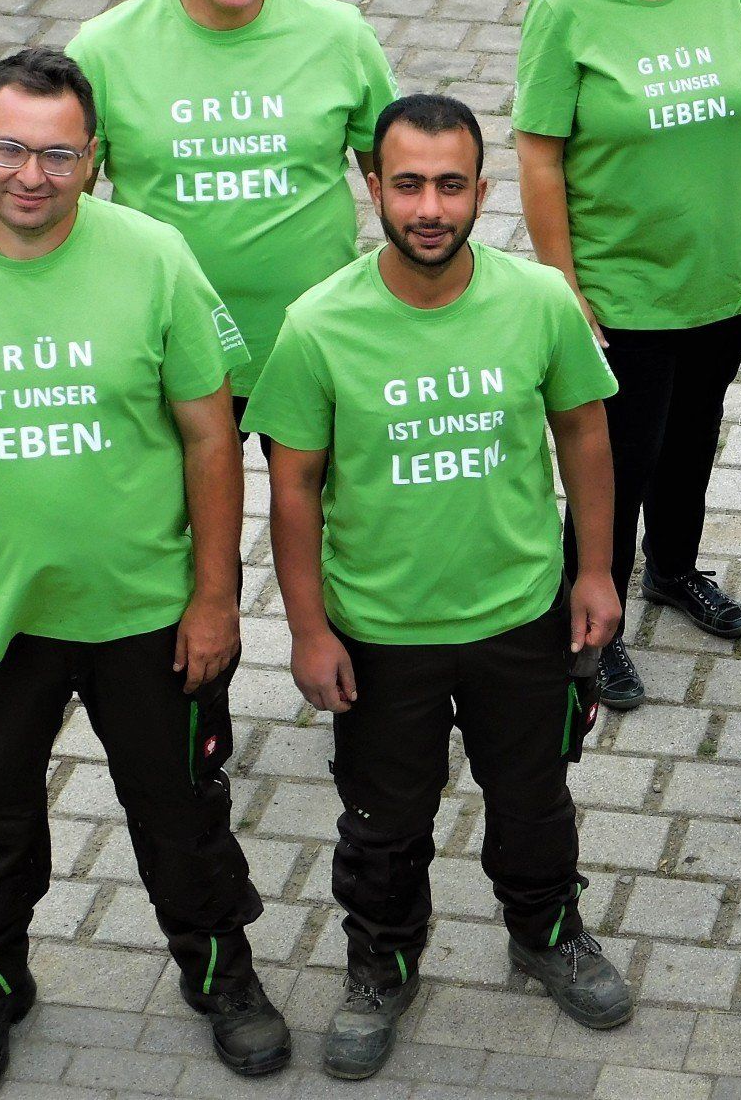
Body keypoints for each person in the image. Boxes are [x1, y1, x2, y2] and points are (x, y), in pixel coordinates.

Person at [0, 48, 288, 1096]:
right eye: (10, 148)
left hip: (148, 615)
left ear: (93, 159)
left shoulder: (155, 258)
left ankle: (222, 977)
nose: (31, 174)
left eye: (59, 154)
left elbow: (211, 436)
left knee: (184, 821)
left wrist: (216, 599)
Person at [244, 95, 633, 1079]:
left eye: (450, 185)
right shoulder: (318, 325)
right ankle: (380, 966)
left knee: (535, 799)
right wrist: (308, 630)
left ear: (482, 192)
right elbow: (292, 485)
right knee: (383, 823)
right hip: (380, 630)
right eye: (409, 184)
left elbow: (585, 431)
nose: (429, 207)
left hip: (522, 616)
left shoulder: (538, 301)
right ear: (372, 186)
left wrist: (594, 570)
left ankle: (546, 934)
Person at [515, 0, 741, 709]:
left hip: (724, 270)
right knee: (618, 458)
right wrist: (563, 284)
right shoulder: (566, 4)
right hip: (626, 286)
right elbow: (539, 154)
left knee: (694, 432)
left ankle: (673, 570)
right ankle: (589, 617)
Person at [66, 0, 398, 437]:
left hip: (311, 339)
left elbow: (397, 181)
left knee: (322, 497)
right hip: (168, 341)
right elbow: (70, 205)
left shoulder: (339, 36)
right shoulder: (103, 50)